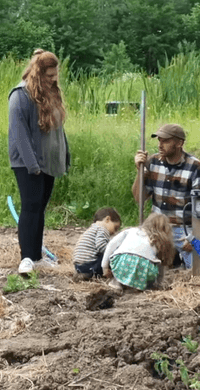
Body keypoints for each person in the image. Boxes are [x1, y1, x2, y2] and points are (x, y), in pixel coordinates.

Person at [8, 49, 70, 274]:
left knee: (40, 209)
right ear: (38, 73)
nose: (54, 79)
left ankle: (36, 256)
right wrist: (32, 165)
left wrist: (65, 153)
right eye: (49, 76)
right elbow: (19, 134)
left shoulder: (52, 93)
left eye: (55, 75)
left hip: (48, 162)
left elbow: (58, 130)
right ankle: (26, 259)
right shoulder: (20, 95)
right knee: (30, 207)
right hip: (28, 163)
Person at [132, 123, 200, 268]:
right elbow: (139, 198)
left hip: (186, 229)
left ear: (179, 143)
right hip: (157, 229)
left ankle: (179, 258)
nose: (160, 145)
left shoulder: (196, 167)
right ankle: (172, 259)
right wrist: (139, 171)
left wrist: (198, 236)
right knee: (139, 264)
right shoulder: (152, 162)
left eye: (166, 141)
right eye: (159, 140)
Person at [101, 213, 176, 291]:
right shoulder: (159, 241)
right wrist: (158, 283)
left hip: (123, 264)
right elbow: (161, 264)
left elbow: (111, 244)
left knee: (121, 256)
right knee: (150, 266)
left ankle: (116, 282)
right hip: (144, 270)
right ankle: (138, 286)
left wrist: (105, 267)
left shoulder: (131, 230)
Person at [72, 207, 122, 279]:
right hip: (90, 266)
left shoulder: (92, 229)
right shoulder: (102, 229)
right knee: (111, 255)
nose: (114, 232)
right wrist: (114, 251)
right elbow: (101, 247)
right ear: (107, 219)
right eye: (115, 228)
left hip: (79, 267)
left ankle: (82, 274)